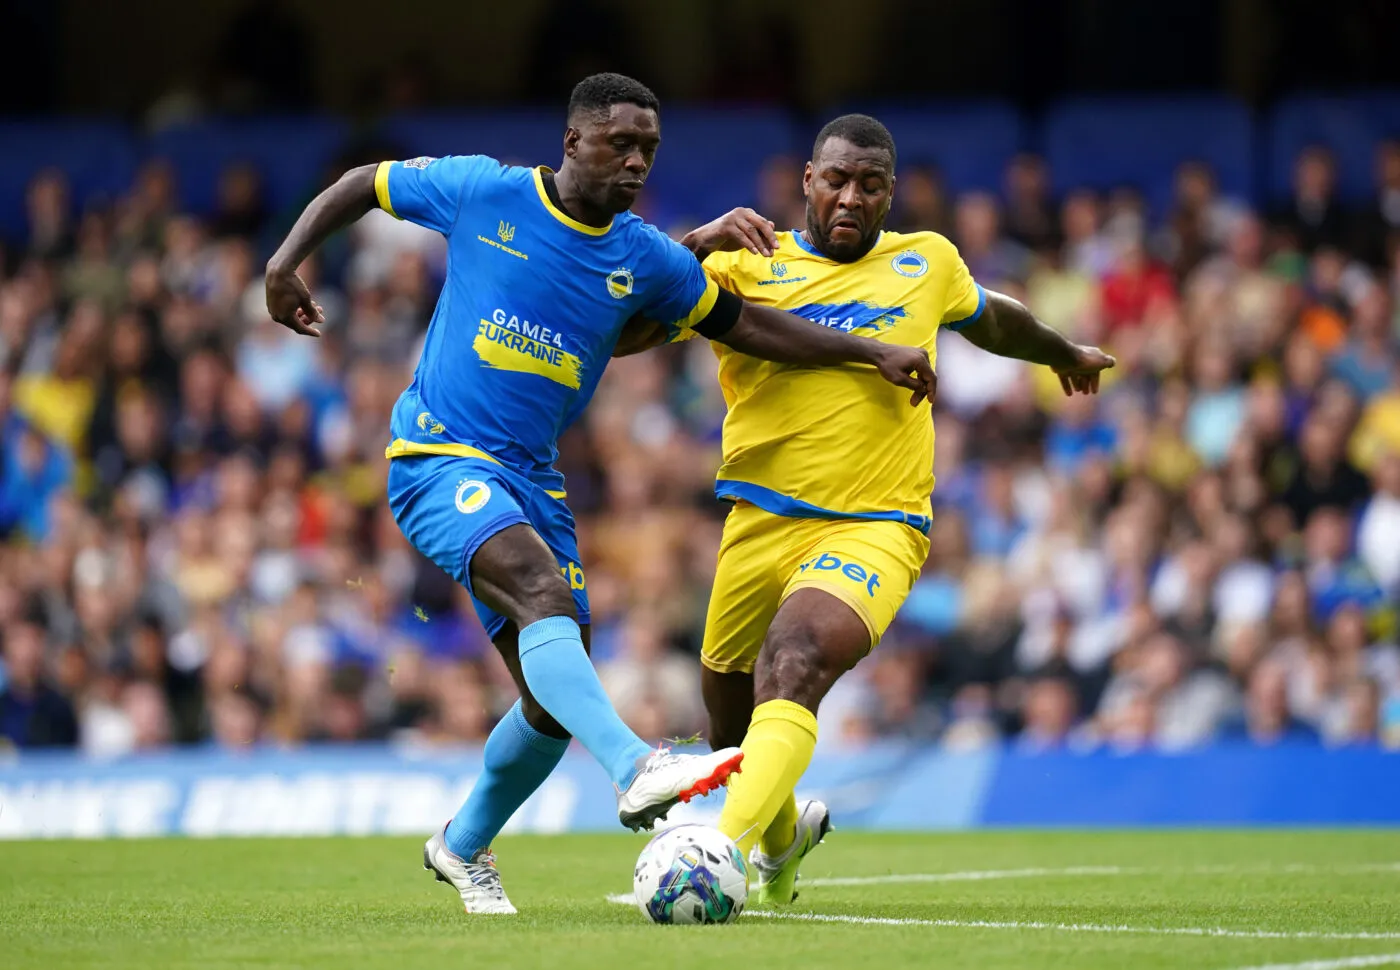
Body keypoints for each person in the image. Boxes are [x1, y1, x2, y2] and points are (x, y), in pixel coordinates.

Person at [263, 77, 934, 915]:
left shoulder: (645, 251)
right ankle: (635, 765)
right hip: (440, 455)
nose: (637, 160)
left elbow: (745, 324)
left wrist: (865, 353)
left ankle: (461, 845)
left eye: (649, 148)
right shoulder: (484, 189)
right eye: (622, 143)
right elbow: (364, 182)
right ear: (574, 140)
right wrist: (285, 261)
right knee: (543, 598)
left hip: (534, 481)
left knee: (550, 698)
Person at [624, 114, 1114, 905]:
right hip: (757, 519)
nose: (852, 197)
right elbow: (624, 332)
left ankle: (716, 852)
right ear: (808, 181)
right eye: (838, 180)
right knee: (728, 724)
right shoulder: (750, 263)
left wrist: (1062, 352)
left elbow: (992, 317)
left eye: (871, 184)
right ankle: (782, 845)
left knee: (796, 663)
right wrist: (695, 244)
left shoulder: (926, 260)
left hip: (876, 523)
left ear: (891, 192)